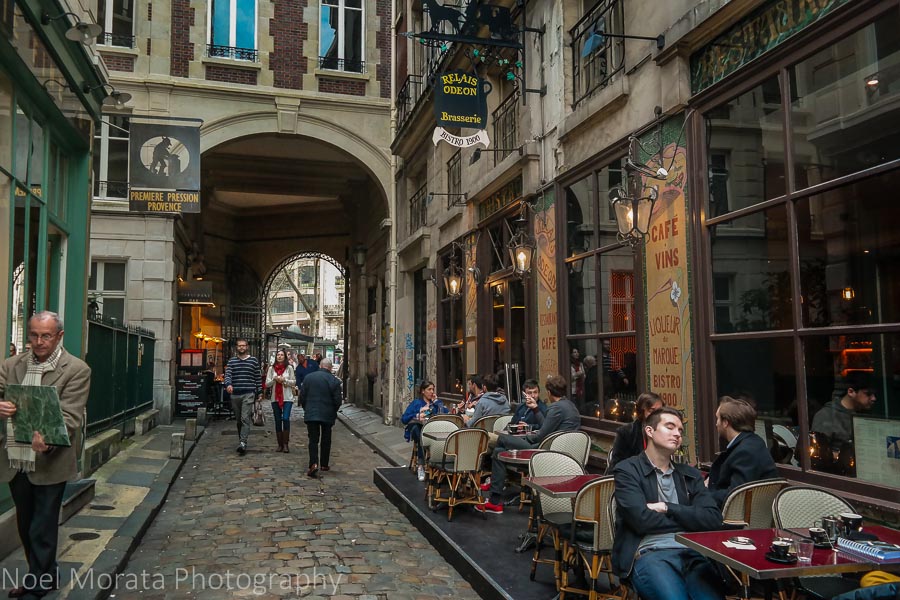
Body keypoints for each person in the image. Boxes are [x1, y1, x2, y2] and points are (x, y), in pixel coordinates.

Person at [0, 312, 90, 598]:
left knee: (43, 524)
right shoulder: (11, 365)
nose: (38, 342)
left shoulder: (76, 369)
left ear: (59, 336)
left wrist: (48, 441)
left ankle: (37, 583)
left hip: (50, 460)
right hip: (16, 457)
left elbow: (70, 417)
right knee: (26, 524)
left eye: (46, 336)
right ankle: (46, 574)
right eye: (34, 335)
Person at [612, 407, 726, 600]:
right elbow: (641, 521)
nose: (677, 434)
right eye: (670, 427)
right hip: (651, 554)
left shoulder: (690, 475)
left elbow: (714, 520)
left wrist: (668, 507)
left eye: (680, 431)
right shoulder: (628, 471)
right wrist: (690, 518)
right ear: (650, 431)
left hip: (693, 554)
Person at [477, 374, 581, 515]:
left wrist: (524, 437)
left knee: (501, 439)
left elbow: (539, 435)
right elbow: (546, 428)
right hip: (562, 453)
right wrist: (535, 412)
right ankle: (494, 501)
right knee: (498, 452)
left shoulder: (556, 408)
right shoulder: (571, 406)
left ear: (549, 392)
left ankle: (494, 500)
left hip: (543, 452)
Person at [706, 396, 778, 506]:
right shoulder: (752, 442)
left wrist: (703, 495)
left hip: (738, 518)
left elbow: (735, 495)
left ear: (725, 422)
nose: (716, 424)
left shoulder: (746, 451)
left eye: (718, 419)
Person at [810, 372, 876, 474]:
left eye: (874, 394)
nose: (873, 398)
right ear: (851, 392)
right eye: (868, 394)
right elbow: (818, 454)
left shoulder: (866, 414)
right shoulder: (826, 416)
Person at [299, 357, 343, 478]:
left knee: (313, 440)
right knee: (326, 439)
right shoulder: (334, 381)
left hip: (311, 413)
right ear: (330, 368)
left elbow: (302, 396)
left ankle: (313, 463)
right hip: (327, 413)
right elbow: (338, 400)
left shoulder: (309, 378)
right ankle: (324, 463)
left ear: (320, 366)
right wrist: (333, 410)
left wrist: (306, 408)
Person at [400, 381, 448, 481]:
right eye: (429, 389)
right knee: (419, 432)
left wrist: (437, 403)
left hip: (433, 430)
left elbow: (444, 414)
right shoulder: (416, 403)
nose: (431, 392)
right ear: (423, 391)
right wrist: (418, 414)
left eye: (433, 389)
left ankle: (440, 465)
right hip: (417, 428)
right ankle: (421, 465)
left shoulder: (435, 404)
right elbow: (404, 419)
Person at [606, 392, 663, 473]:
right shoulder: (626, 433)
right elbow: (617, 465)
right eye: (651, 411)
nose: (656, 415)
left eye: (659, 411)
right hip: (632, 478)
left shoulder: (665, 431)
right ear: (642, 412)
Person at [224, 338, 261, 456]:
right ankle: (241, 439)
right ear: (236, 347)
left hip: (248, 393)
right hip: (235, 394)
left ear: (247, 347)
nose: (241, 348)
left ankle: (243, 442)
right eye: (239, 346)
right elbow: (228, 375)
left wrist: (259, 392)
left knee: (245, 418)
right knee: (239, 419)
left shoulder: (253, 361)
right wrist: (228, 384)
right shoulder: (232, 361)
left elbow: (258, 377)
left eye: (243, 346)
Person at [266, 349, 296, 453]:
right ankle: (279, 444)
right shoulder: (271, 369)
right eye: (278, 355)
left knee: (286, 418)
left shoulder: (289, 368)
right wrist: (274, 379)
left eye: (281, 355)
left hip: (287, 397)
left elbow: (293, 382)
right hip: (275, 398)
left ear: (285, 357)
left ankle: (286, 443)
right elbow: (267, 384)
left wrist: (285, 380)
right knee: (278, 420)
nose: (279, 356)